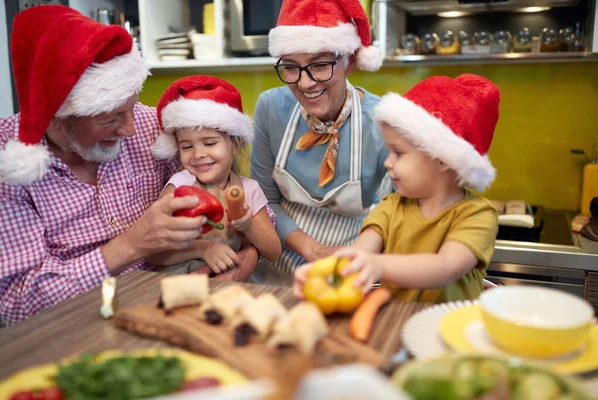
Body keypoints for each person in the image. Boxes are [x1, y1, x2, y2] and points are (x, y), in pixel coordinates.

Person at [0, 6, 253, 326]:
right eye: (110, 119)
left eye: (131, 109)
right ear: (58, 116)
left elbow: (236, 196)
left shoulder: (150, 126)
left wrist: (247, 257)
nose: (131, 130)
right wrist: (132, 244)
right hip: (75, 323)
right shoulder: (8, 164)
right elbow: (18, 304)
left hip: (180, 303)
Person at [294, 74, 501, 303]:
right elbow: (359, 255)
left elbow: (446, 267)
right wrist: (324, 273)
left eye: (398, 153)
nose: (387, 162)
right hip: (395, 326)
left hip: (450, 331)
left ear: (444, 159)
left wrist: (378, 265)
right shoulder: (392, 207)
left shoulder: (476, 215)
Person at [250, 0, 391, 276]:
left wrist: (360, 255)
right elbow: (263, 201)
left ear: (350, 61)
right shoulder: (270, 108)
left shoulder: (382, 122)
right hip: (278, 261)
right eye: (291, 67)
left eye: (320, 65)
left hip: (350, 263)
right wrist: (311, 249)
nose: (305, 83)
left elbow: (395, 212)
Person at [148, 76, 281, 275]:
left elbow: (273, 251)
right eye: (186, 146)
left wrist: (248, 226)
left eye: (210, 143)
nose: (198, 154)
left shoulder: (248, 189)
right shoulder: (181, 183)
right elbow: (154, 252)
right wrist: (205, 249)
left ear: (235, 145)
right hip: (178, 285)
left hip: (227, 284)